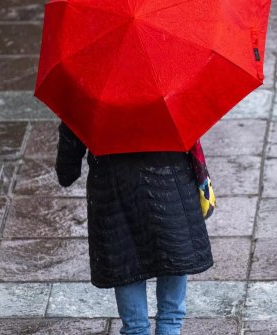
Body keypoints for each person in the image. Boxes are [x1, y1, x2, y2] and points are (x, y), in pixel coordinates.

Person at [55, 121, 214, 335]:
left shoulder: (90, 95)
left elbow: (67, 173)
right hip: (170, 191)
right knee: (171, 313)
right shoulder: (170, 89)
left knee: (134, 318)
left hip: (114, 199)